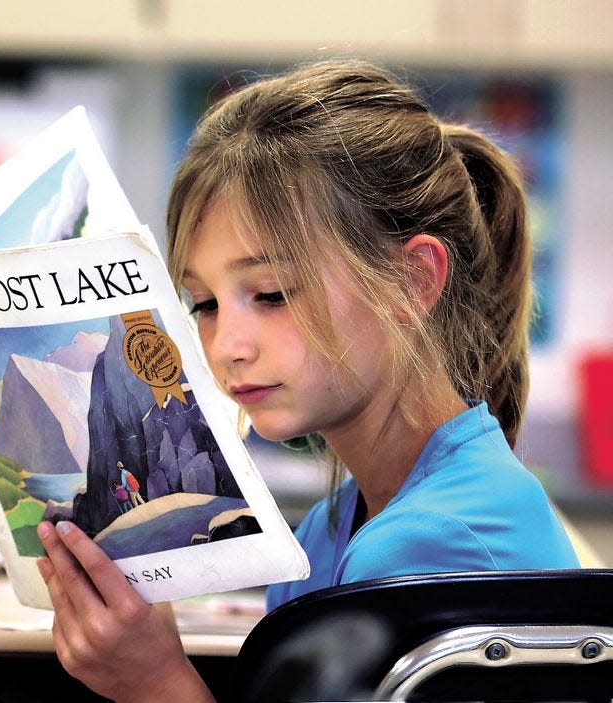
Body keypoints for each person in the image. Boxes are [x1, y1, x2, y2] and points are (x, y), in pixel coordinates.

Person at [34, 59, 580, 702]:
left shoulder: (430, 551)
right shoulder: (329, 528)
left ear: (412, 283)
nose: (225, 347)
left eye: (270, 294)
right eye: (204, 304)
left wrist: (154, 682)